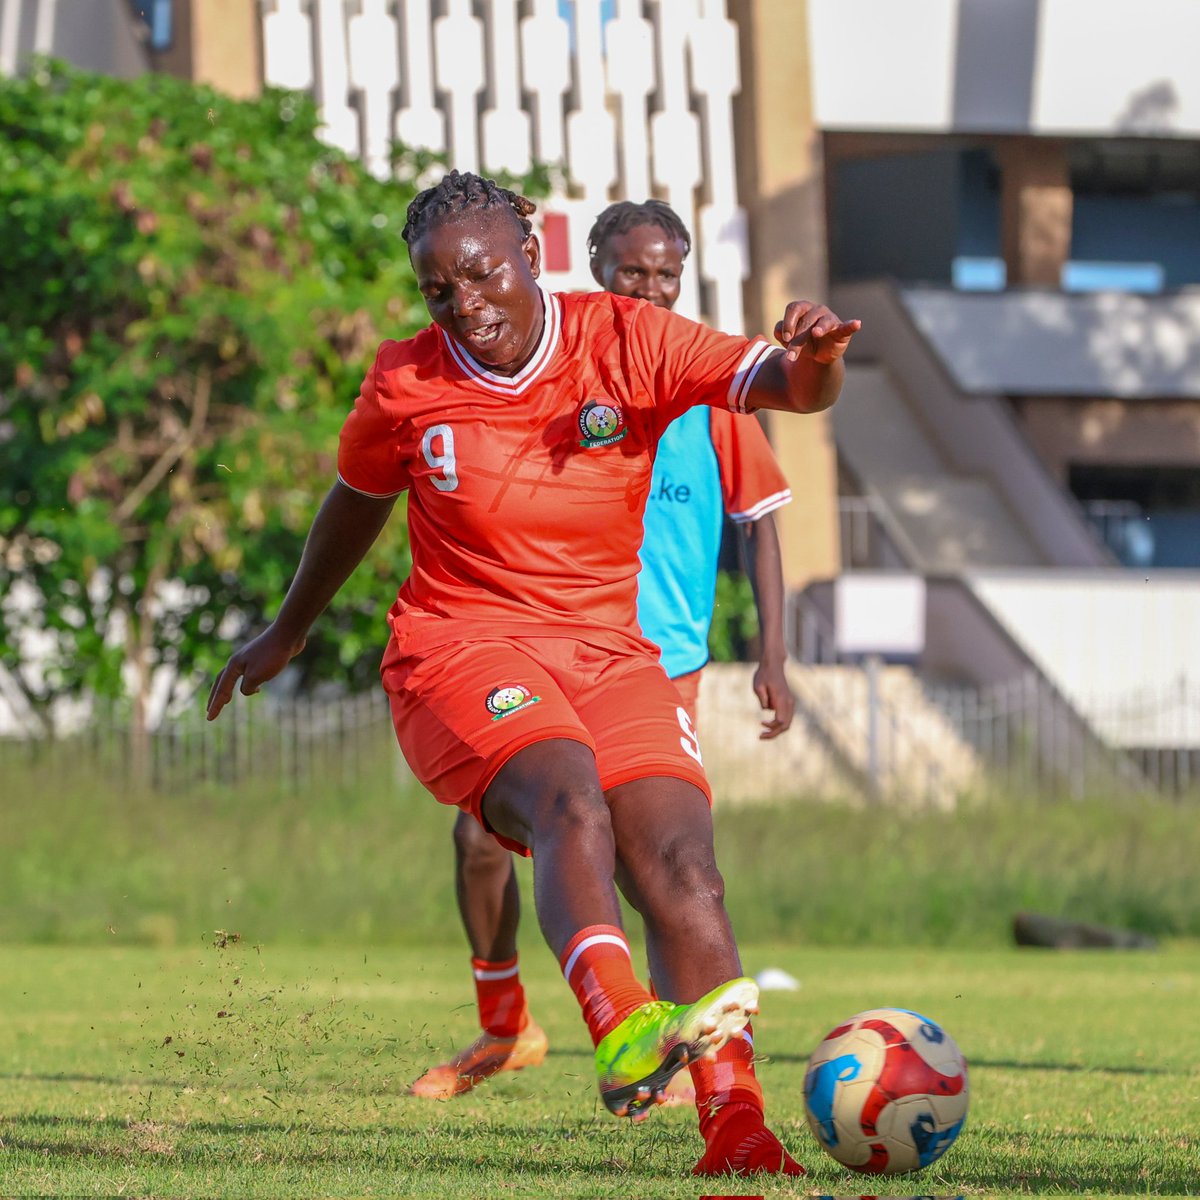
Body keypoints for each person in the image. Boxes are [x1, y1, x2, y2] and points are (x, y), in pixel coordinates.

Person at [207, 171, 859, 1177]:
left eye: (480, 275)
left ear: (528, 245)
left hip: (608, 649)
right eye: (439, 291)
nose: (465, 305)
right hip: (458, 650)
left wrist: (818, 360)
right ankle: (619, 1023)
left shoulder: (630, 338)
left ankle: (738, 1137)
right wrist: (288, 629)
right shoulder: (406, 382)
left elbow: (791, 389)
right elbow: (354, 500)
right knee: (568, 798)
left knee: (687, 873)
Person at [409, 199, 797, 1113]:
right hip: (530, 642)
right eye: (633, 275)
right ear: (586, 265)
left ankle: (675, 1050)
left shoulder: (705, 392)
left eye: (667, 276)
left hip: (656, 655)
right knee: (493, 832)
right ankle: (512, 1021)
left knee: (656, 861)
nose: (651, 290)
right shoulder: (575, 361)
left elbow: (762, 522)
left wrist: (773, 649)